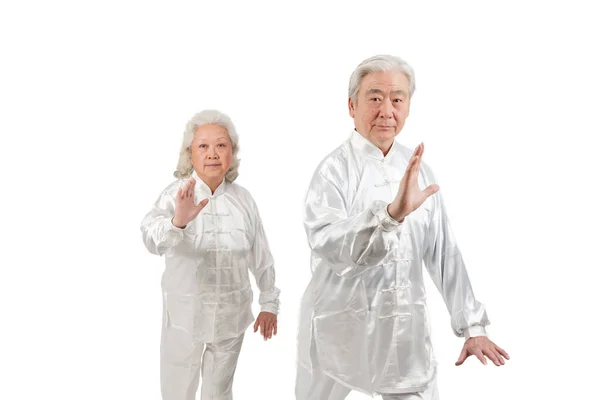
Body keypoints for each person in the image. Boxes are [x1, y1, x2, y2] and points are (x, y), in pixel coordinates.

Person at [295, 55, 509, 400]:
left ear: (408, 107)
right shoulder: (334, 171)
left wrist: (472, 326)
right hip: (340, 328)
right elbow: (329, 244)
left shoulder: (419, 171)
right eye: (375, 97)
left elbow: (443, 253)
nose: (386, 110)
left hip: (404, 329)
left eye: (397, 99)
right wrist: (390, 216)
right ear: (352, 106)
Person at [140, 110, 280, 400]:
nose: (213, 153)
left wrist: (269, 303)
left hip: (232, 317)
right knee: (179, 391)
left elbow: (261, 254)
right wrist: (178, 222)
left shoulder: (244, 200)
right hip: (185, 319)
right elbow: (151, 240)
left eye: (221, 145)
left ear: (232, 152)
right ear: (190, 153)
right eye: (203, 146)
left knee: (219, 392)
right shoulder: (175, 196)